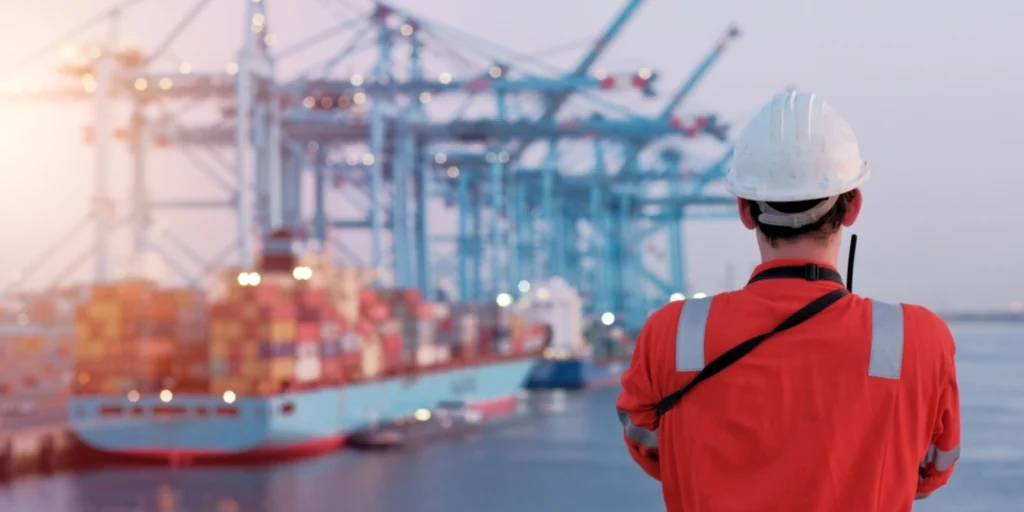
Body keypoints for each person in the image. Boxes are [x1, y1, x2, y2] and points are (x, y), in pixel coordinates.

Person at [615, 91, 960, 511]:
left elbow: (649, 448)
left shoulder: (673, 333)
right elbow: (932, 470)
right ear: (852, 207)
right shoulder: (917, 339)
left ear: (744, 210)